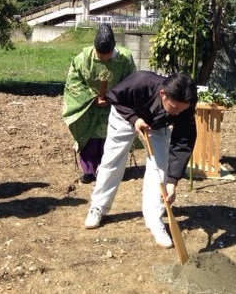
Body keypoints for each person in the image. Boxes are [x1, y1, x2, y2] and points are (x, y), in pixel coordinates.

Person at [84, 71, 197, 249]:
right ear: (163, 94)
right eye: (173, 108)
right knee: (112, 161)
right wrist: (135, 119)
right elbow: (116, 98)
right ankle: (98, 207)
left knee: (160, 169)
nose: (176, 113)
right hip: (125, 115)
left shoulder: (186, 105)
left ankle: (154, 220)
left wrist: (173, 181)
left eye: (180, 110)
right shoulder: (141, 81)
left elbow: (182, 141)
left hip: (157, 124)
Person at [62, 24, 136, 183]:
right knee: (90, 140)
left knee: (113, 139)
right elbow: (73, 83)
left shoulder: (125, 58)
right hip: (89, 106)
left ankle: (109, 171)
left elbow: (132, 82)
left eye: (107, 55)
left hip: (115, 106)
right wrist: (93, 98)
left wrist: (113, 97)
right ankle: (88, 171)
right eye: (100, 54)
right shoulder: (82, 59)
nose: (104, 58)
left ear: (114, 47)